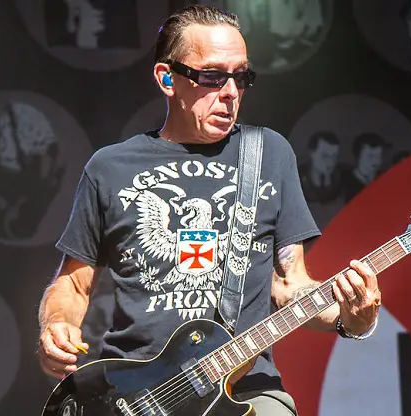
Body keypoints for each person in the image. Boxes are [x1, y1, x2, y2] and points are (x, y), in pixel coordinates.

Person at [37, 5, 382, 415]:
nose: (231, 92)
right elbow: (73, 285)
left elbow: (291, 285)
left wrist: (353, 320)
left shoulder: (268, 154)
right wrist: (55, 325)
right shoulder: (110, 167)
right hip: (132, 394)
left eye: (241, 77)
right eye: (212, 77)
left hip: (244, 388)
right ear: (168, 79)